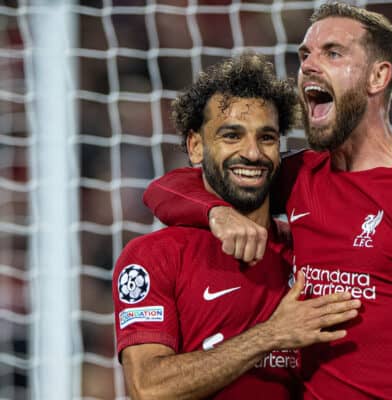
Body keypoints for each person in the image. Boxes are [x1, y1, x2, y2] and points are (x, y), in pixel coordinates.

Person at [143, 3, 392, 399]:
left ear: (378, 76)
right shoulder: (302, 176)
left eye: (332, 53)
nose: (309, 67)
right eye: (305, 55)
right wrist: (215, 212)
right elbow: (165, 189)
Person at [112, 54, 363, 399]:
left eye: (267, 138)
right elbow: (148, 388)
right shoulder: (152, 257)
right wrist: (272, 335)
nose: (252, 152)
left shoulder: (308, 251)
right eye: (231, 136)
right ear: (196, 146)